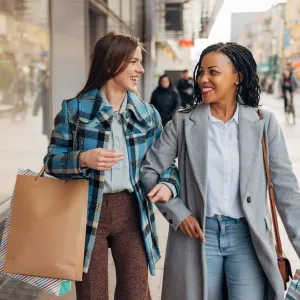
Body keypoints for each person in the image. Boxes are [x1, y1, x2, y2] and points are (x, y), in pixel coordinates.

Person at [140, 42, 300, 300]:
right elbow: (149, 170)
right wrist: (178, 213)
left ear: (238, 76)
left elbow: (287, 192)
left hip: (248, 238)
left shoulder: (263, 122)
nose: (203, 78)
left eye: (213, 72)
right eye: (201, 72)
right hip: (199, 237)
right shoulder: (183, 121)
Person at [43, 31, 180, 300]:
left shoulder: (147, 114)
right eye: (133, 62)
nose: (140, 69)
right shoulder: (75, 111)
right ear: (110, 63)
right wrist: (82, 159)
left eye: (140, 62)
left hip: (133, 211)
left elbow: (166, 163)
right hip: (86, 210)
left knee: (135, 292)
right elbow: (51, 161)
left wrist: (167, 185)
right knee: (92, 293)